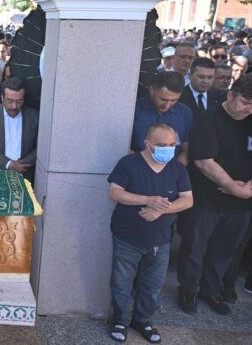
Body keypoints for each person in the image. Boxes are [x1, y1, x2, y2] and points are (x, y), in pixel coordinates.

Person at [106, 123, 193, 343]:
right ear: (147, 143)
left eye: (173, 144)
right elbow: (115, 193)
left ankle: (142, 320)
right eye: (162, 145)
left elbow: (188, 200)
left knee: (153, 283)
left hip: (161, 238)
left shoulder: (177, 168)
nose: (168, 149)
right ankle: (120, 320)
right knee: (121, 281)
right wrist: (148, 200)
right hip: (128, 236)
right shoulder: (129, 164)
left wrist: (161, 211)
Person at [176, 74, 252, 315]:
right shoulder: (208, 119)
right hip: (206, 200)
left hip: (241, 204)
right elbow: (203, 161)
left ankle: (211, 290)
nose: (248, 109)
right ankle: (188, 289)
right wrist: (233, 187)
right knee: (194, 248)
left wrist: (247, 189)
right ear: (231, 94)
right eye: (245, 101)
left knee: (224, 250)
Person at [0, 77, 38, 182]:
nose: (14, 106)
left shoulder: (35, 116)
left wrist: (21, 165)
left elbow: (40, 147)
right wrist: (9, 164)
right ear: (2, 97)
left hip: (24, 174)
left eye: (19, 101)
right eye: (10, 101)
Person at [131, 72, 192, 165]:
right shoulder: (134, 109)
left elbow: (186, 149)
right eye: (163, 99)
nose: (167, 105)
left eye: (173, 100)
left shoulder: (184, 113)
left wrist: (176, 171)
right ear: (151, 90)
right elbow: (123, 144)